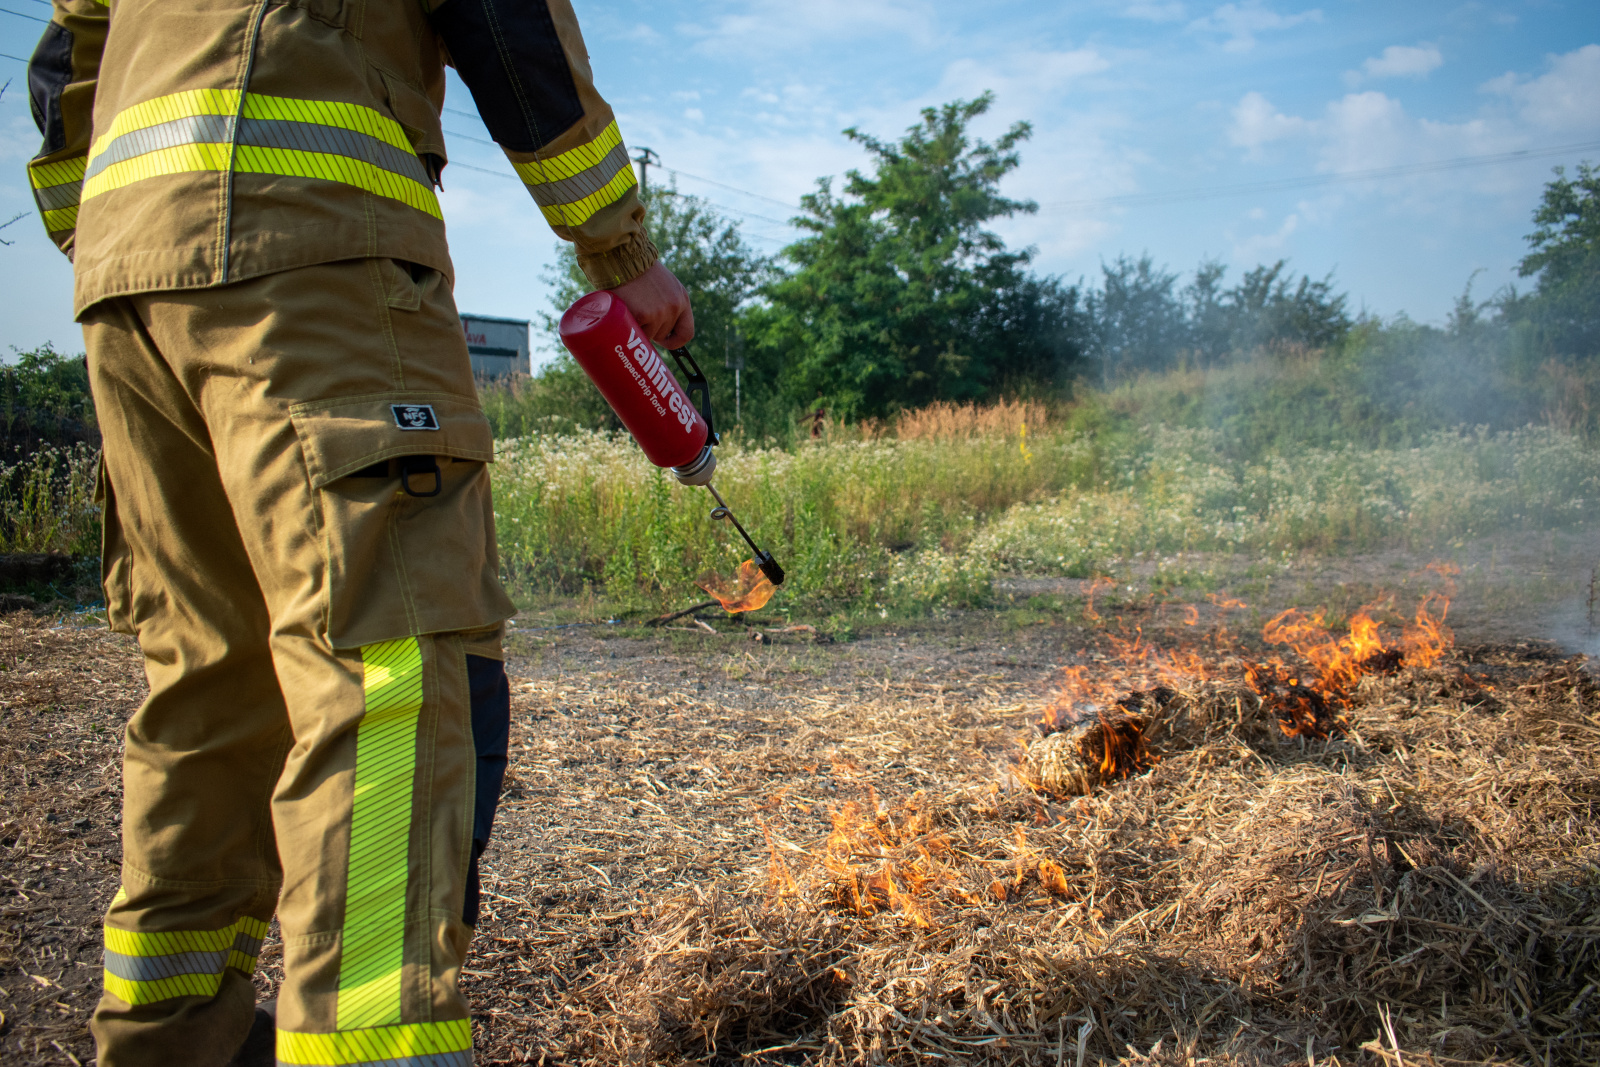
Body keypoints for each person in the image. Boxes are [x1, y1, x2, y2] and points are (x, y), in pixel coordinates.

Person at [24, 1, 692, 1064]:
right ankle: (367, 1044)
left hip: (126, 277)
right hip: (310, 251)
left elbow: (68, 56)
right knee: (383, 667)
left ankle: (164, 1040)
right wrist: (621, 249)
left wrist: (109, 225)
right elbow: (508, 22)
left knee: (209, 674)